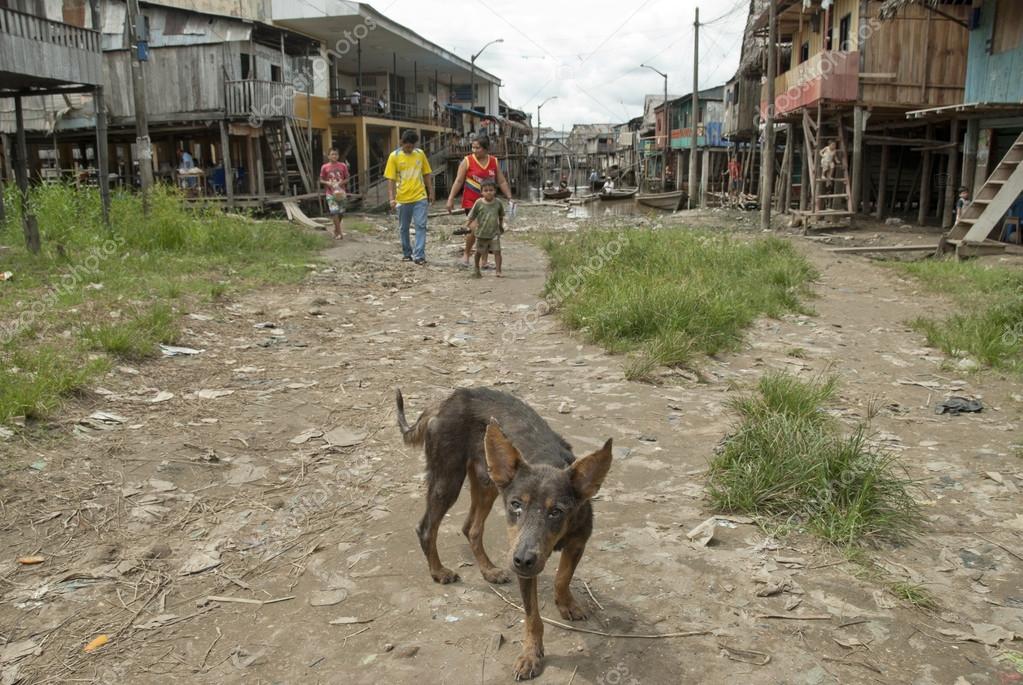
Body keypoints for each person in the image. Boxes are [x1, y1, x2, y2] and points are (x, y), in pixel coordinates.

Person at [445, 132, 514, 267]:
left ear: (486, 148)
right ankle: (466, 254)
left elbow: (502, 181)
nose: (474, 150)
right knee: (475, 229)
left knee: (486, 229)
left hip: (489, 203)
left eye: (478, 148)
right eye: (473, 147)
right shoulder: (467, 161)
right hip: (471, 202)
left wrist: (510, 197)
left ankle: (484, 261)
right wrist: (450, 198)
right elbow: (458, 181)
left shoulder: (493, 161)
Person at [385, 129, 434, 265]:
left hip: (420, 196)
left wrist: (431, 191)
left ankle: (419, 255)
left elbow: (426, 173)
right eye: (408, 146)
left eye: (412, 146)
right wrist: (391, 198)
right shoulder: (394, 156)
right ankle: (407, 252)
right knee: (404, 227)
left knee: (421, 226)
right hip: (402, 198)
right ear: (402, 142)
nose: (410, 149)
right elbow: (390, 179)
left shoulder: (420, 154)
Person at [466, 178, 505, 278]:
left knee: (497, 251)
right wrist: (468, 225)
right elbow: (472, 216)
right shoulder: (479, 203)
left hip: (494, 232)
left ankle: (498, 270)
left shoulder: (498, 203)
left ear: (495, 191)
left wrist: (500, 226)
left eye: (491, 190)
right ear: (481, 192)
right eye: (486, 190)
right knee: (479, 252)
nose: (488, 192)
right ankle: (476, 268)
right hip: (481, 232)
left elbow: (501, 216)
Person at [319, 147, 350, 240]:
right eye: (332, 154)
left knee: (341, 213)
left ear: (338, 156)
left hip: (341, 193)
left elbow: (347, 178)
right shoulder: (324, 167)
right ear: (328, 156)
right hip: (330, 193)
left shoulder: (343, 166)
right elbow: (321, 180)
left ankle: (336, 229)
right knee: (334, 212)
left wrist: (340, 183)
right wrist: (327, 183)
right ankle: (339, 233)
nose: (334, 156)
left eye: (336, 154)